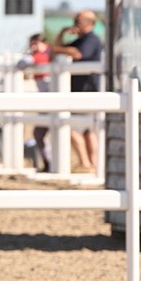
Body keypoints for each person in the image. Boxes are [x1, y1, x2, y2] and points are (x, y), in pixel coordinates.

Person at [51, 10, 103, 172]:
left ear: (89, 23)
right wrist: (62, 32)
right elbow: (56, 48)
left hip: (87, 90)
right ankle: (90, 164)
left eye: (77, 21)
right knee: (87, 130)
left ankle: (87, 163)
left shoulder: (91, 39)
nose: (74, 24)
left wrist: (60, 50)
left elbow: (78, 54)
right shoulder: (80, 40)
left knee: (73, 128)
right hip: (80, 90)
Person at [18, 33, 53, 171]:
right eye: (31, 44)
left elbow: (24, 63)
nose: (33, 47)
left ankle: (50, 162)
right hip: (47, 102)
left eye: (35, 44)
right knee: (39, 133)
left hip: (51, 101)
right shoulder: (44, 55)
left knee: (45, 132)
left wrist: (30, 58)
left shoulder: (46, 55)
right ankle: (48, 162)